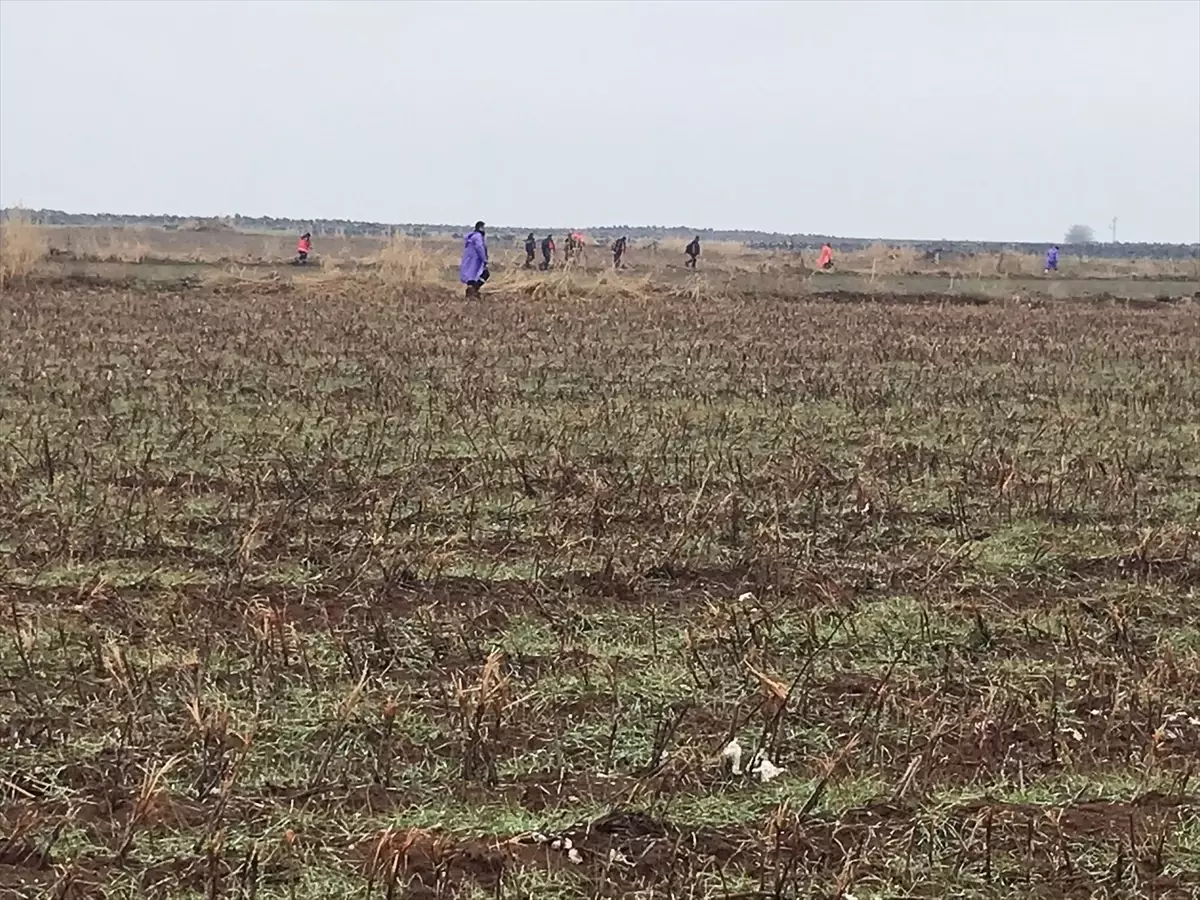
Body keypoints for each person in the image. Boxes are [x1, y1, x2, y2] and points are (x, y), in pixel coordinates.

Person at [460, 221, 489, 298]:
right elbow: (480, 248)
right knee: (485, 274)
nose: (484, 229)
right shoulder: (478, 236)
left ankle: (471, 292)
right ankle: (473, 291)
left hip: (470, 259)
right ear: (480, 228)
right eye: (483, 228)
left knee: (471, 276)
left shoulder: (472, 237)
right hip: (475, 260)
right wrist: (485, 259)